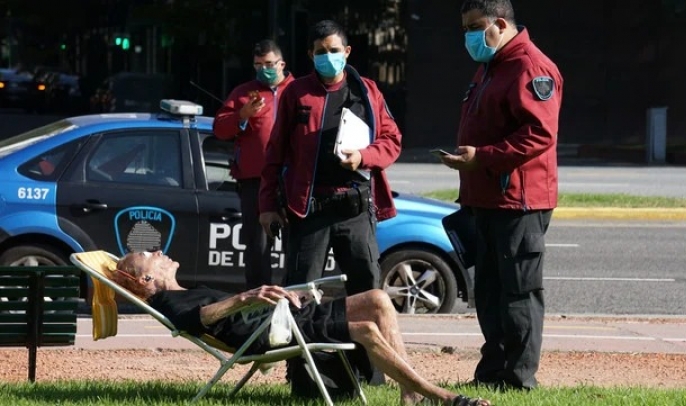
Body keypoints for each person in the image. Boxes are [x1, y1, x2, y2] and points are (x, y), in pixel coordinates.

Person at [110, 250, 491, 406]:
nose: (159, 253)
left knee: (378, 297)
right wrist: (248, 297)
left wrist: (268, 298)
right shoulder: (171, 302)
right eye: (150, 256)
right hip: (272, 333)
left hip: (282, 318)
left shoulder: (183, 291)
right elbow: (202, 320)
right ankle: (444, 399)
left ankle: (410, 396)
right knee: (367, 330)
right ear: (144, 281)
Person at [439, 0, 564, 391]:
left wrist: (484, 158)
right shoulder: (491, 67)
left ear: (500, 22)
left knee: (519, 292)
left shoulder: (530, 66)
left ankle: (519, 378)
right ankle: (492, 372)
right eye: (464, 30)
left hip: (519, 201)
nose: (469, 37)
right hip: (488, 198)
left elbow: (540, 134)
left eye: (475, 27)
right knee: (490, 292)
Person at [257, 20, 402, 298]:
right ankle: (303, 342)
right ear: (311, 55)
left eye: (333, 50)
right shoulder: (296, 93)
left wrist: (363, 156)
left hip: (355, 207)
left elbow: (392, 141)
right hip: (310, 209)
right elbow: (274, 153)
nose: (328, 57)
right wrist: (267, 205)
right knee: (299, 292)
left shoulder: (367, 91)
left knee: (366, 292)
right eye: (321, 52)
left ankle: (364, 343)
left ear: (347, 51)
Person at [213, 39, 295, 289]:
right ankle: (259, 299)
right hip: (255, 181)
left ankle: (295, 298)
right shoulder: (243, 93)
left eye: (269, 64)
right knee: (257, 246)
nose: (264, 69)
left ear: (281, 63)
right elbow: (219, 129)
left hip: (293, 179)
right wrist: (242, 115)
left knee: (297, 243)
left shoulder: (298, 90)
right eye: (258, 65)